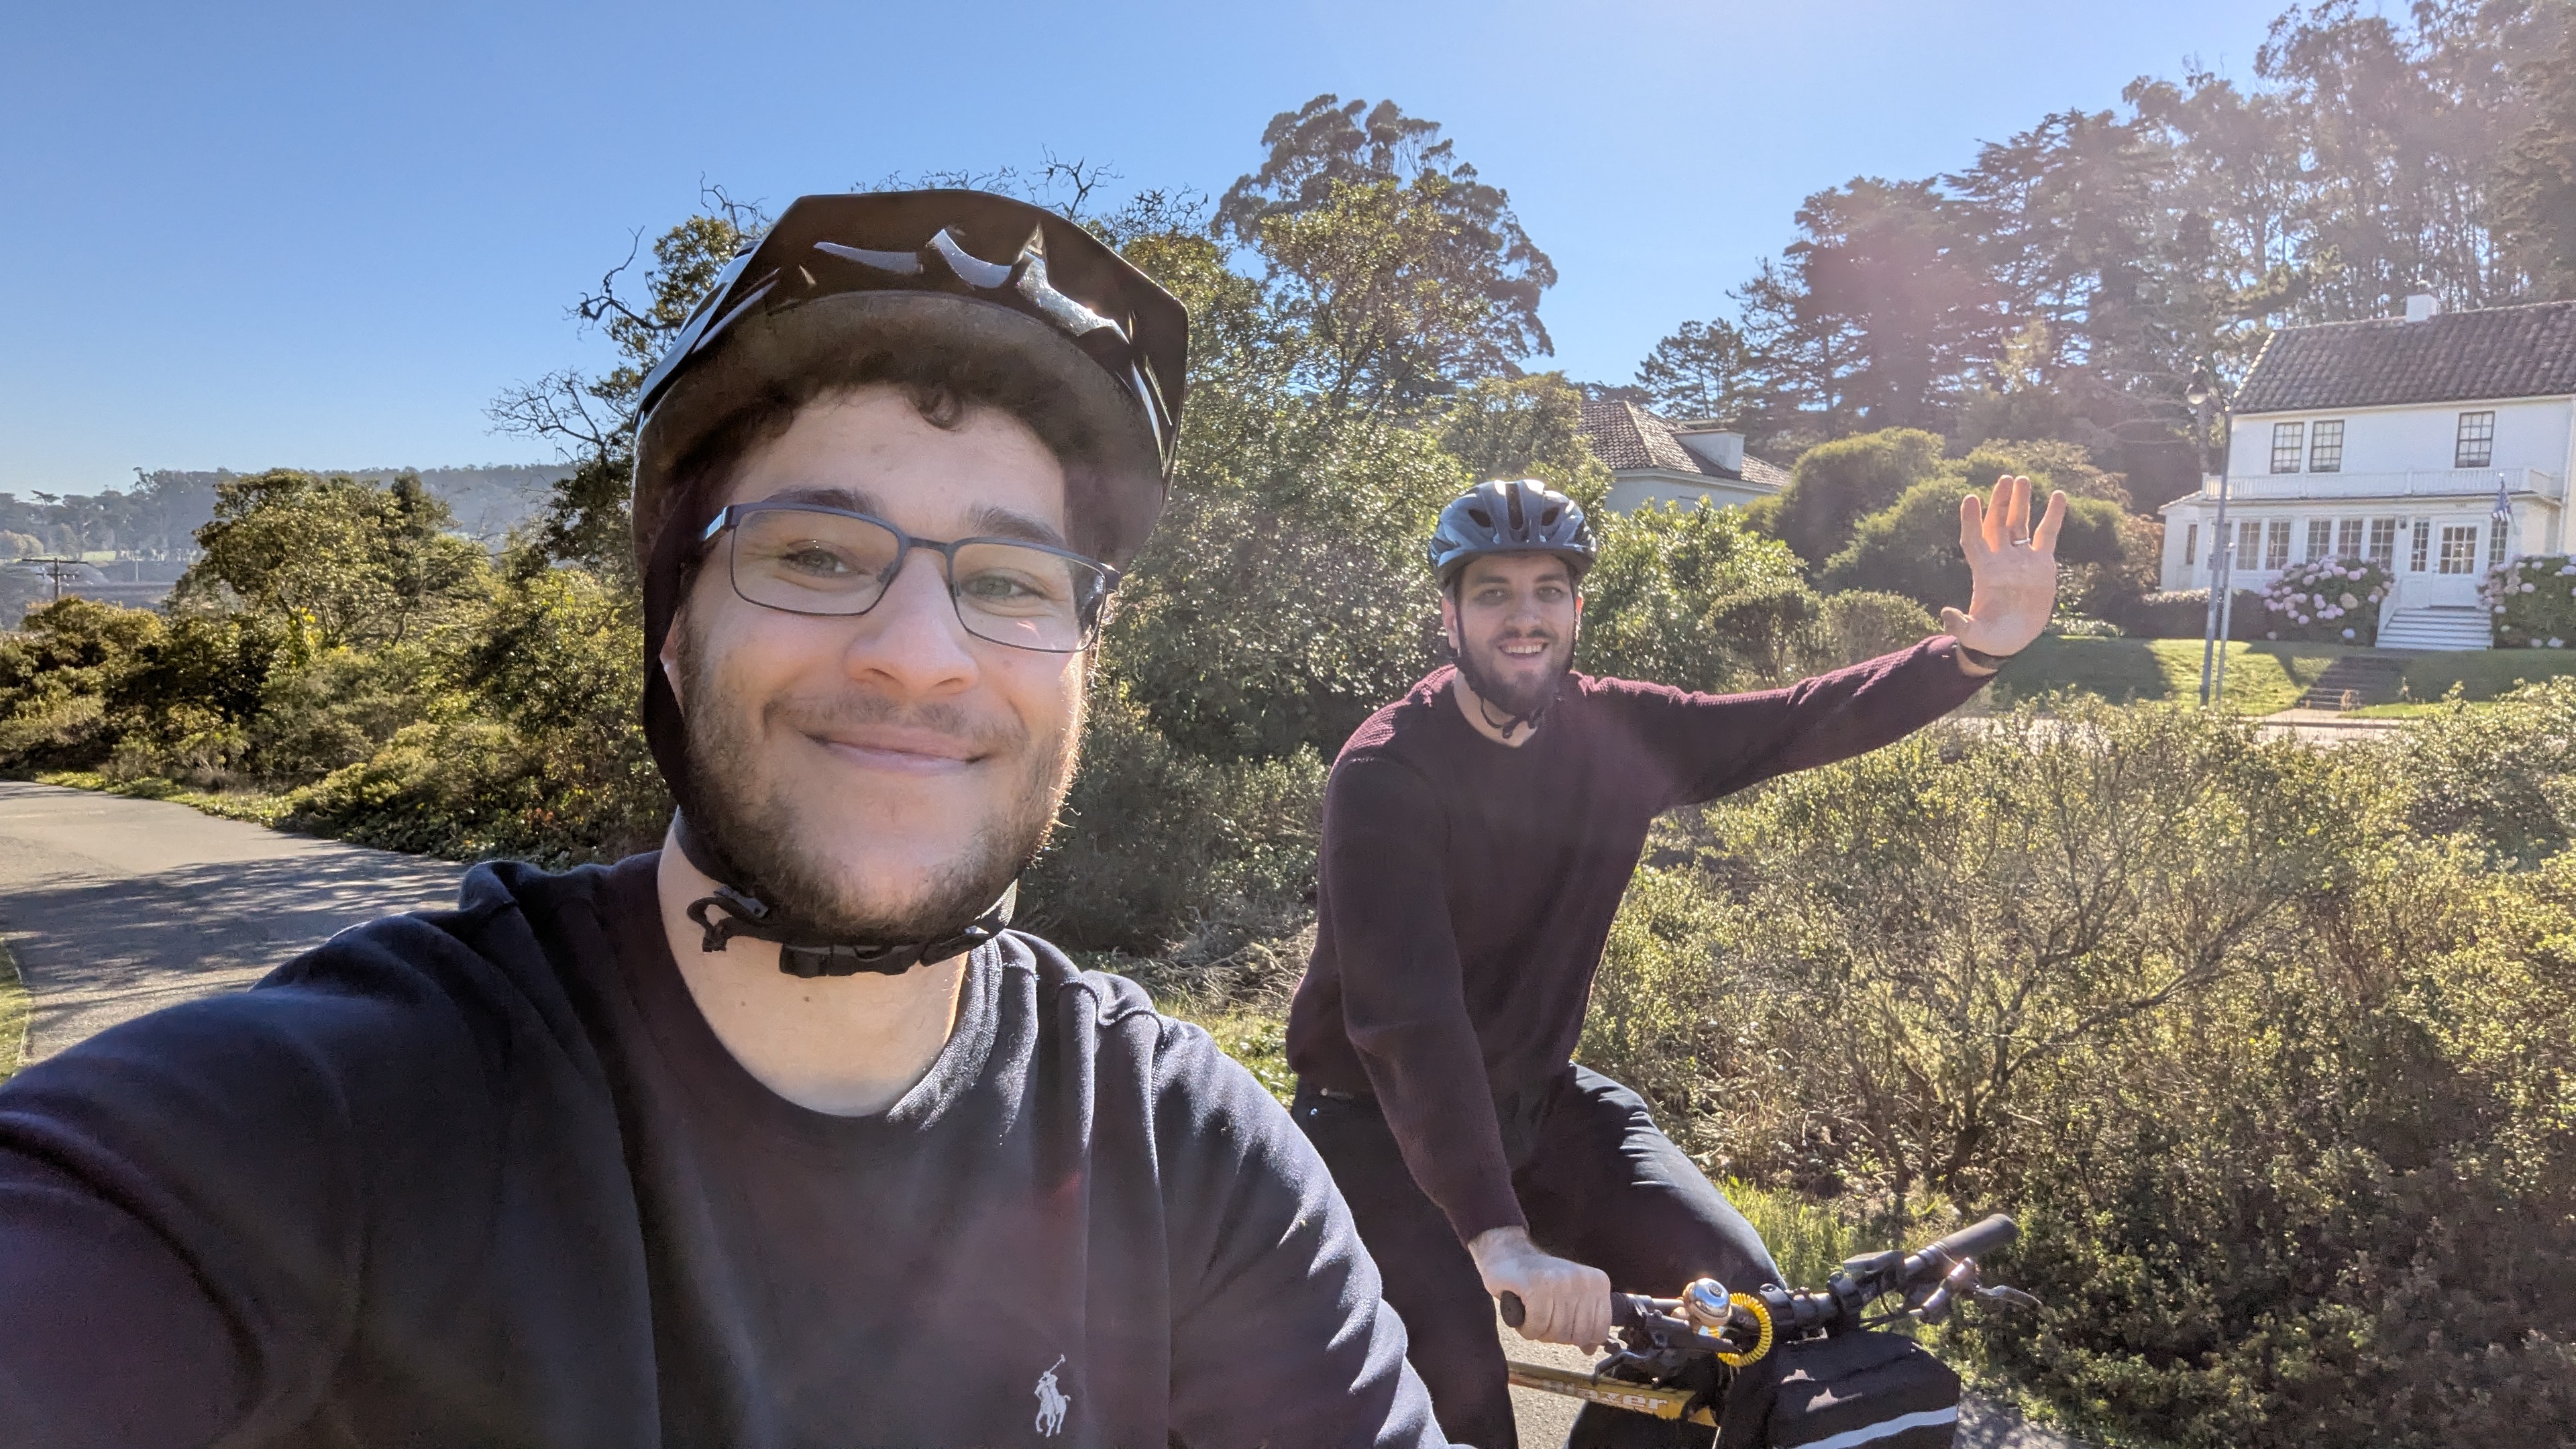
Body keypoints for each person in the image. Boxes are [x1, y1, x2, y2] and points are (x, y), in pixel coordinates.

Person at [0, 191, 1445, 1448]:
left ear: (1083, 667)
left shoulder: (1181, 1155)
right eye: (814, 553)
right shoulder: (327, 1123)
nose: (921, 650)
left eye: (1010, 582)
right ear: (674, 637)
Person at [1285, 475, 2064, 1446]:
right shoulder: (1386, 774)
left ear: (1577, 608)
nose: (1523, 618)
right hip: (1378, 1133)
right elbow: (1410, 1023)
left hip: (1542, 1103)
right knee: (1459, 1406)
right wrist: (1501, 1241)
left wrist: (1974, 650)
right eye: (1493, 593)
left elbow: (1794, 717)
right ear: (1448, 613)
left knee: (1739, 1316)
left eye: (1548, 592)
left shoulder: (1618, 731)